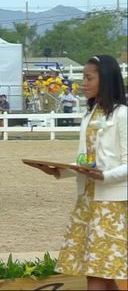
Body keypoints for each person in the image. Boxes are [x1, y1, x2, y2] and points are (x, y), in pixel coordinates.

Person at [35, 55, 126, 290]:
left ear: (104, 79)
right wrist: (58, 172)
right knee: (101, 272)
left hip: (110, 204)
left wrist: (106, 176)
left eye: (88, 77)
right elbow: (86, 163)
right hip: (87, 199)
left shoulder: (121, 115)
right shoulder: (89, 115)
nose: (83, 83)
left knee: (96, 272)